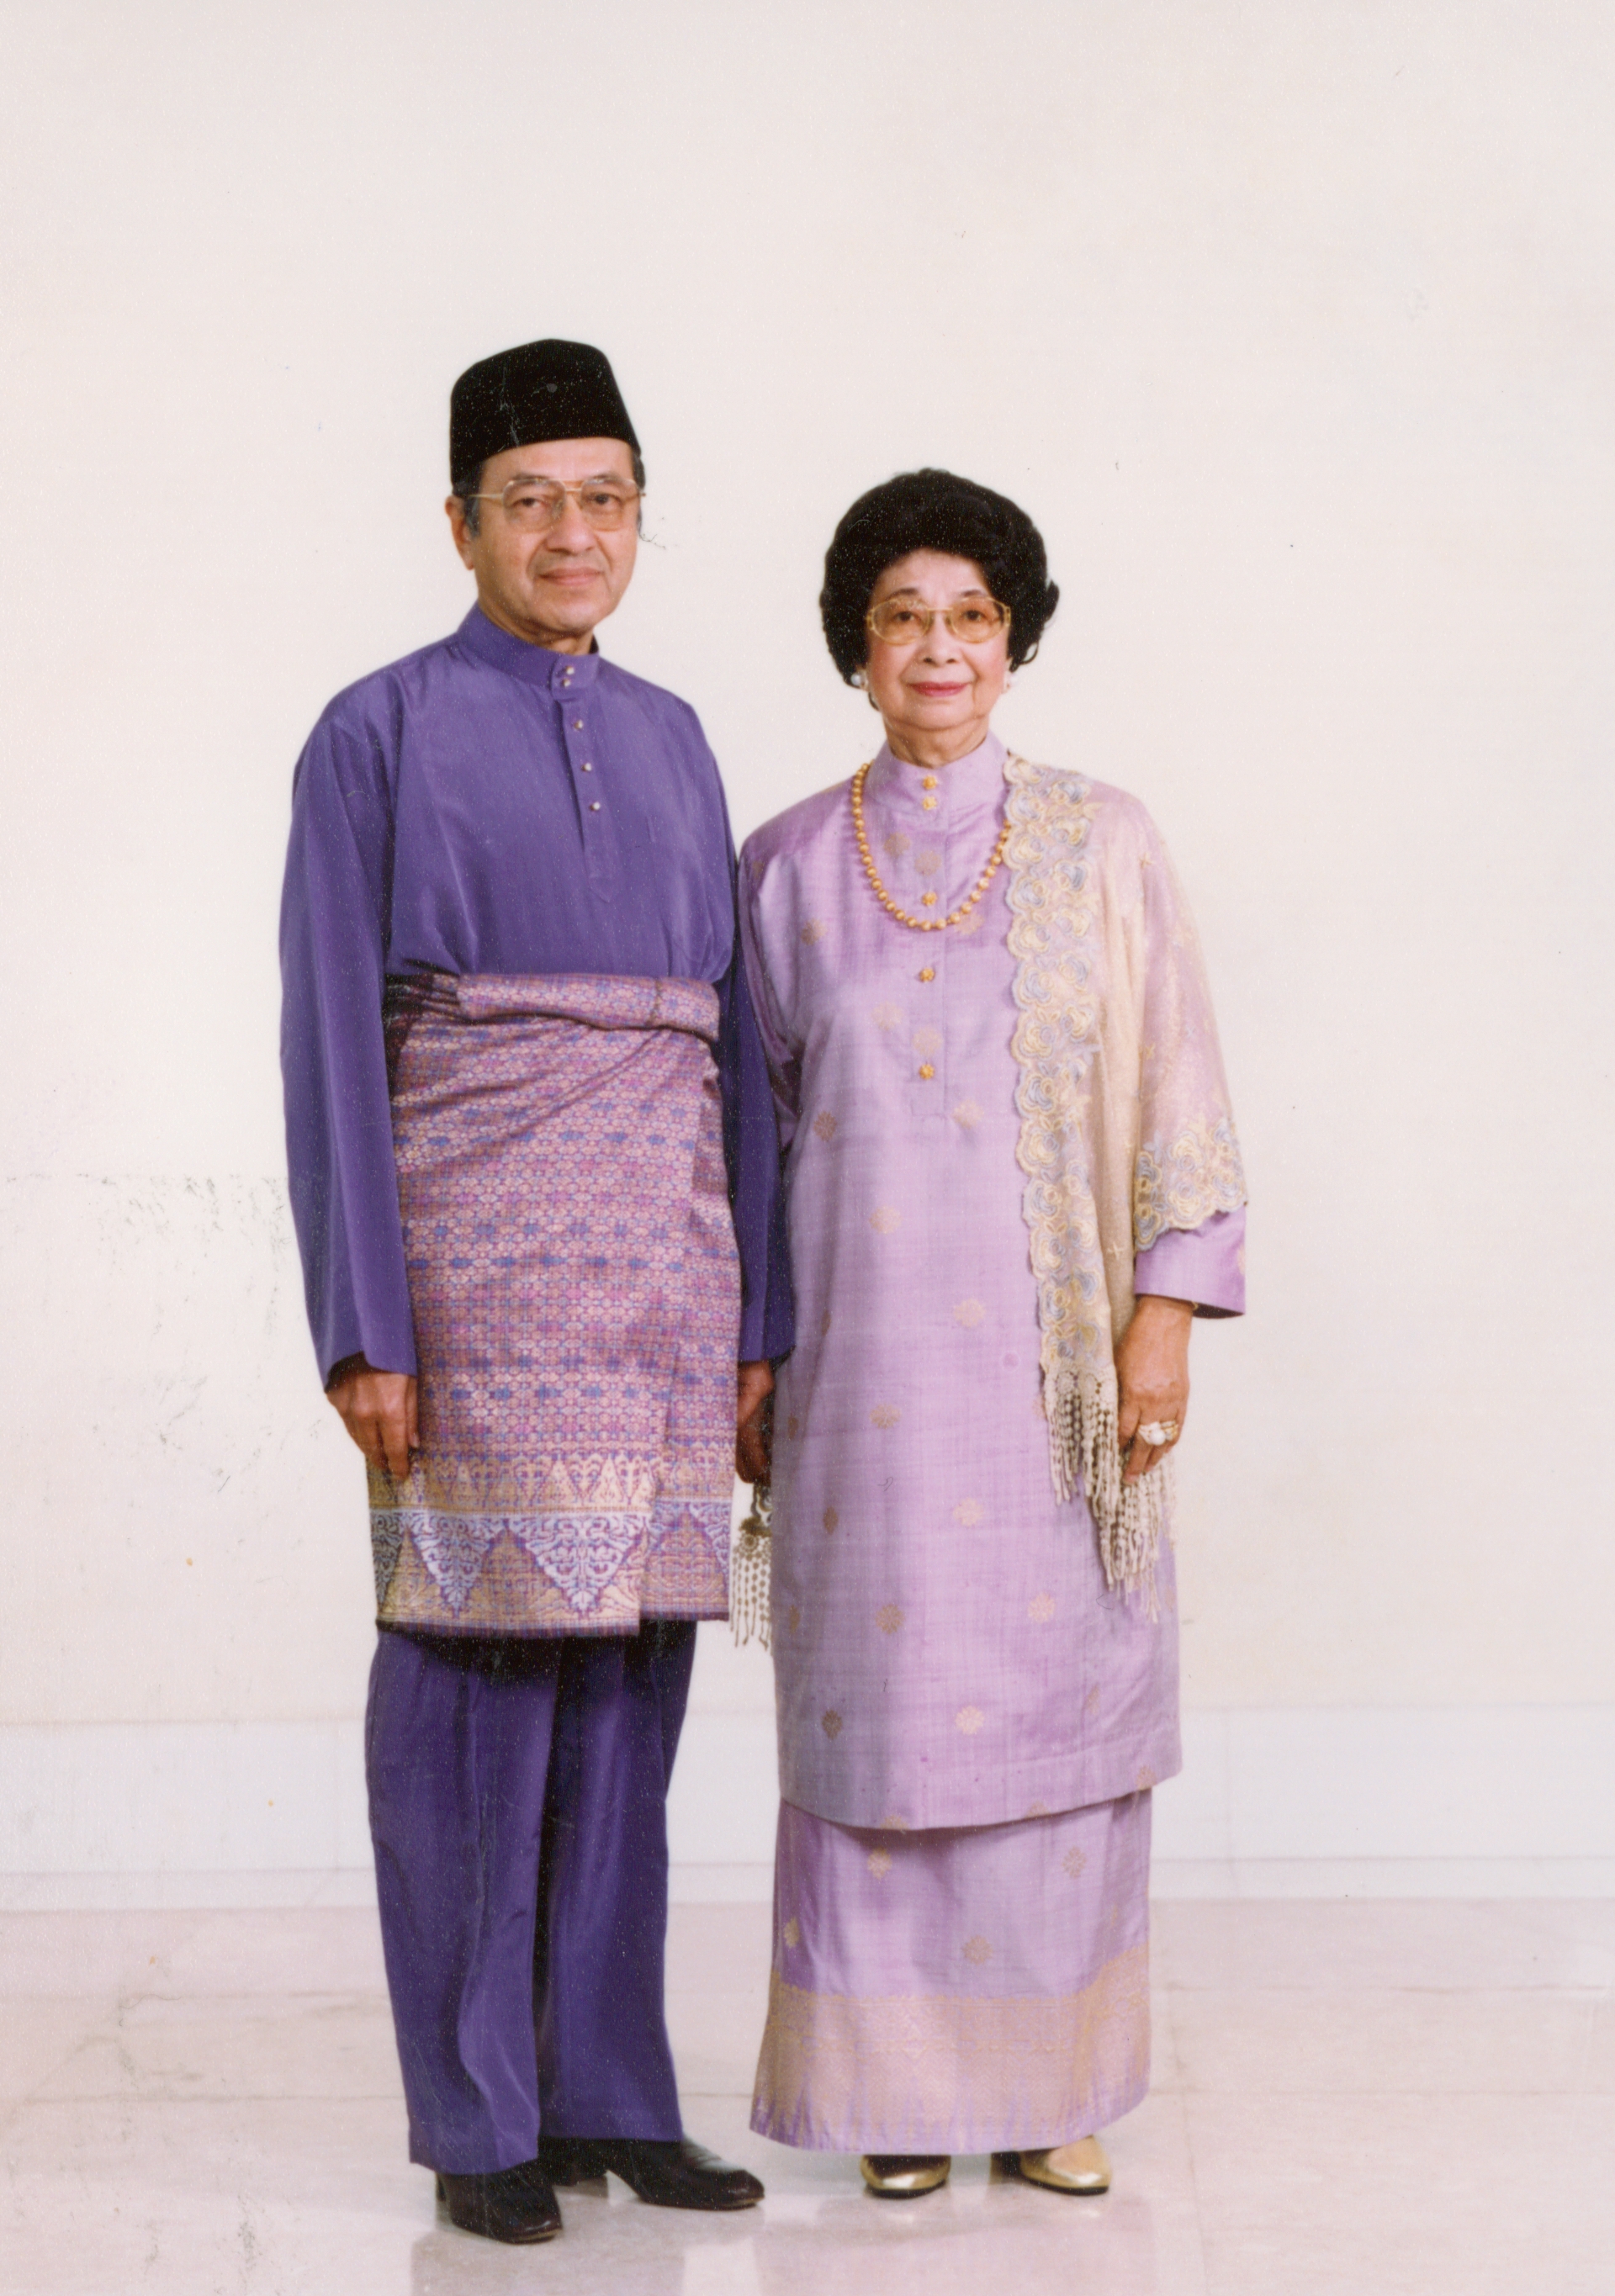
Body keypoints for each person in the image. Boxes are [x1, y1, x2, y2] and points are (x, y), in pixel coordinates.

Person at [279, 339, 792, 2244]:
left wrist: (758, 1318)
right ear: (461, 522)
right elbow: (328, 1044)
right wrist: (365, 1324)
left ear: (640, 517)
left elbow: (732, 1045)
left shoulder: (677, 734)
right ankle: (479, 2113)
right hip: (473, 1281)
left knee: (634, 1691)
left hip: (668, 1274)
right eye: (531, 501)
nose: (573, 534)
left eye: (606, 499)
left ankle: (611, 2094)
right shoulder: (376, 731)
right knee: (473, 1690)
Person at [738, 468, 1246, 2198]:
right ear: (857, 647)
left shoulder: (1107, 840)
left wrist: (1164, 1321)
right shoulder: (786, 865)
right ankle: (890, 2098)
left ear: (1014, 638)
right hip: (857, 1382)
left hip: (1057, 1386)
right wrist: (746, 1357)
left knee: (1051, 1723)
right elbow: (742, 1142)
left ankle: (1050, 2090)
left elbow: (1179, 1084)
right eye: (904, 618)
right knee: (881, 1723)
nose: (939, 647)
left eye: (970, 616)